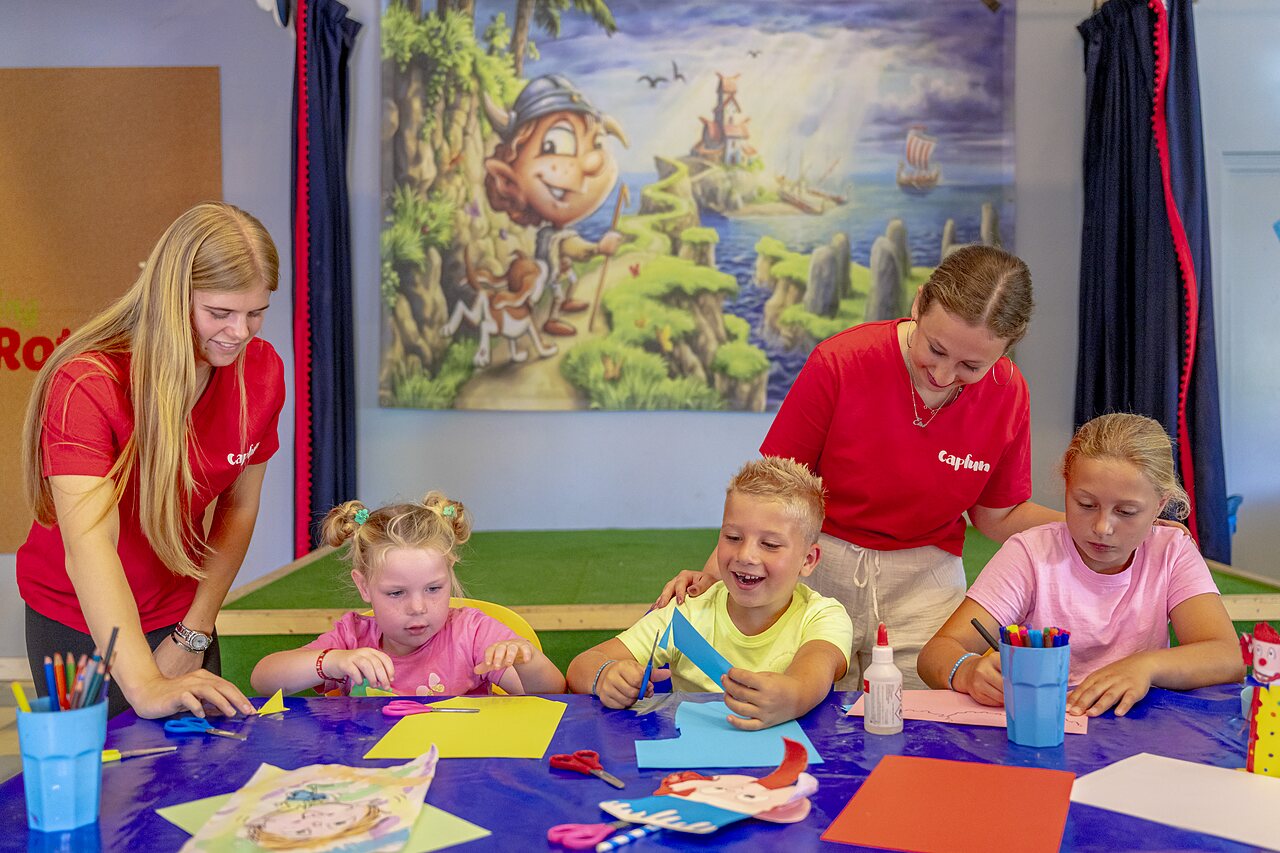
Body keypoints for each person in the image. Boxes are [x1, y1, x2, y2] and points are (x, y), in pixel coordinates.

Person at [660, 245, 1060, 690]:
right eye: (936, 348)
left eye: (971, 366)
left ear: (1006, 350)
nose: (944, 376)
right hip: (817, 568)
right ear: (919, 303)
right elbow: (770, 495)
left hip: (926, 581)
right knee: (806, 707)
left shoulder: (1008, 393)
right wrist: (714, 575)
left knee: (926, 721)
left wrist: (1086, 524)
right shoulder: (841, 362)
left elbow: (996, 514)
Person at [18, 202, 284, 719]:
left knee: (198, 783)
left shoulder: (263, 373)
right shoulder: (86, 384)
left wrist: (194, 630)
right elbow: (89, 544)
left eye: (256, 313)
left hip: (182, 614)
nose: (241, 332)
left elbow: (239, 509)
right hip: (78, 619)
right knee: (104, 788)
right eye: (220, 313)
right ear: (171, 297)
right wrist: (141, 681)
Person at [918, 413, 1244, 717]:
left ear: (1160, 505)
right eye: (1086, 504)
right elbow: (937, 653)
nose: (1102, 527)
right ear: (1066, 488)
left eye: (1127, 512)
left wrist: (1145, 666)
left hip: (1137, 735)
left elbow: (1226, 657)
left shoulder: (1171, 551)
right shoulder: (1030, 553)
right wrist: (967, 670)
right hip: (1042, 726)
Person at [568, 457, 853, 730]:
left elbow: (816, 668)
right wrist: (605, 675)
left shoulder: (823, 615)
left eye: (769, 544)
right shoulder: (686, 611)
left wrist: (793, 696)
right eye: (733, 538)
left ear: (808, 560)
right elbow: (582, 665)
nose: (746, 555)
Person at [252, 492, 566, 697]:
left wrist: (528, 660)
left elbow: (551, 696)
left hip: (461, 772)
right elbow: (263, 680)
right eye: (396, 593)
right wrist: (331, 662)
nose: (417, 607)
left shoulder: (472, 633)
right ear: (364, 587)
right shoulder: (352, 636)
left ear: (449, 576)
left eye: (433, 589)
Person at [482, 74, 627, 336]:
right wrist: (598, 247)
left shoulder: (559, 227)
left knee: (570, 281)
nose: (591, 163)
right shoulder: (552, 236)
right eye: (553, 145)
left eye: (594, 145)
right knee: (557, 289)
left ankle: (565, 301)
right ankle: (551, 317)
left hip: (562, 269)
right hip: (549, 272)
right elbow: (574, 249)